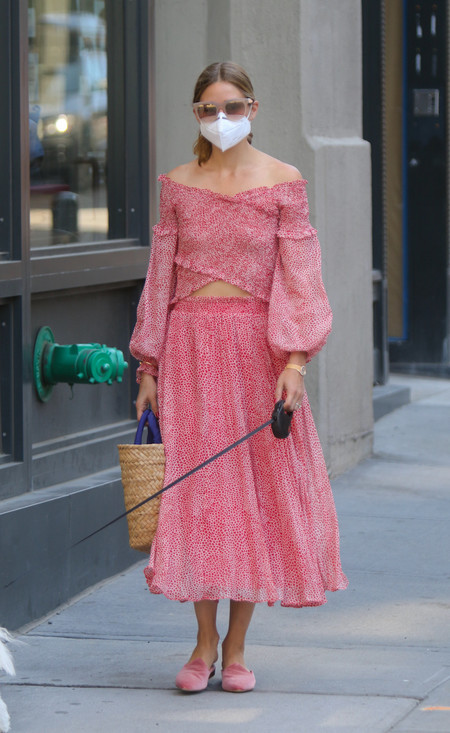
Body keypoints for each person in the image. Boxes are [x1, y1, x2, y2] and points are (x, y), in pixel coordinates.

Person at [129, 61, 348, 694]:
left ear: (253, 107)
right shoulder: (176, 184)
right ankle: (201, 645)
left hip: (259, 355)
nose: (220, 119)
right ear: (195, 115)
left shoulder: (284, 181)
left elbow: (301, 276)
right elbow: (159, 278)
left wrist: (296, 362)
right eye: (207, 109)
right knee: (201, 497)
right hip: (191, 354)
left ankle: (238, 646)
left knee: (253, 497)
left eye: (231, 106)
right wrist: (148, 365)